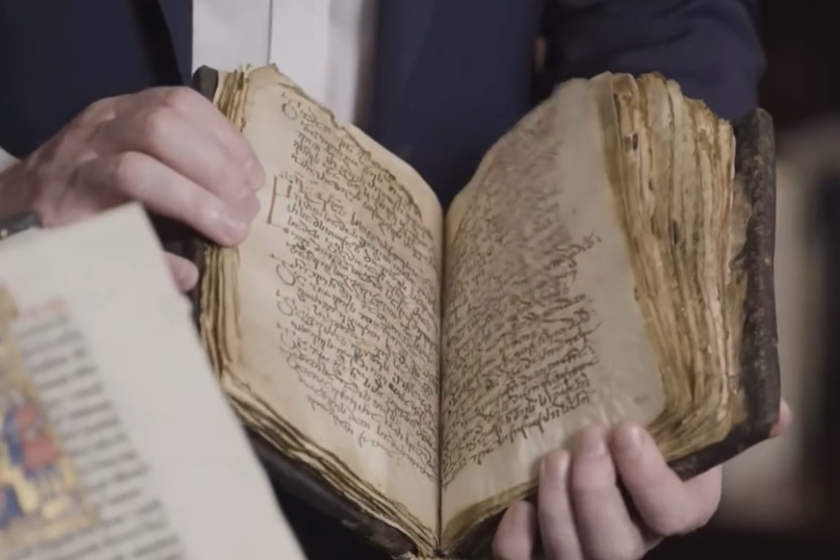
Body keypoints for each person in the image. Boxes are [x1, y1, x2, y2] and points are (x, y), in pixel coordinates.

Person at [0, 2, 791, 559]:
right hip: (47, 427)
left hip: (441, 470)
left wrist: (674, 326)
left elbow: (665, 22)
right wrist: (10, 205)